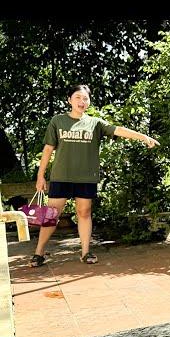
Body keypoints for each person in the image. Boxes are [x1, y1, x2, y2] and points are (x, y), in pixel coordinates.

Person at [30, 84, 160, 267]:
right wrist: (40, 176)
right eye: (77, 97)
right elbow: (48, 149)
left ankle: (85, 252)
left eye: (85, 98)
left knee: (84, 213)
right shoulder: (57, 121)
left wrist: (143, 137)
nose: (82, 102)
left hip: (86, 177)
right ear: (69, 100)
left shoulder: (95, 123)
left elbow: (118, 130)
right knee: (51, 216)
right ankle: (39, 253)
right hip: (61, 176)